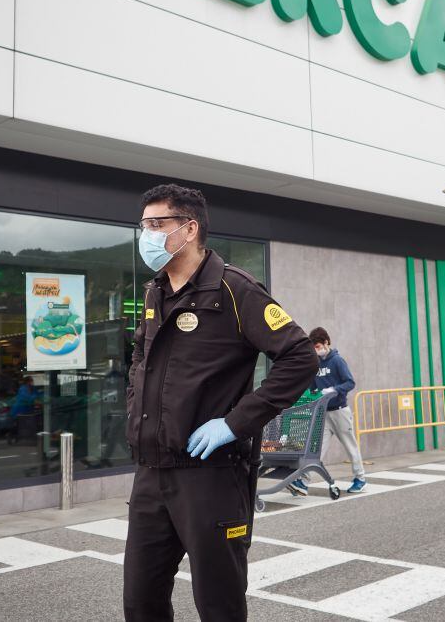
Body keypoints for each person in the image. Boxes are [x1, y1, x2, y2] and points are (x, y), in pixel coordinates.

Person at [123, 184, 317, 622]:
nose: (147, 235)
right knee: (141, 602)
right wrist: (135, 406)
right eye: (144, 225)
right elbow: (139, 355)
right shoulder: (155, 292)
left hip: (210, 474)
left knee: (219, 604)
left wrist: (235, 424)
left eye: (157, 224)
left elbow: (299, 356)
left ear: (189, 229)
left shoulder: (234, 288)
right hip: (152, 472)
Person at [287, 328, 367, 496]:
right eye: (313, 347)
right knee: (315, 450)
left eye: (317, 346)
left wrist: (334, 390)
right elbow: (313, 386)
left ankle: (360, 479)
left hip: (340, 412)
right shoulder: (315, 363)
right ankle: (302, 482)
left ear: (326, 343)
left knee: (350, 447)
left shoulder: (337, 361)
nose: (316, 350)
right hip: (323, 413)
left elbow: (350, 382)